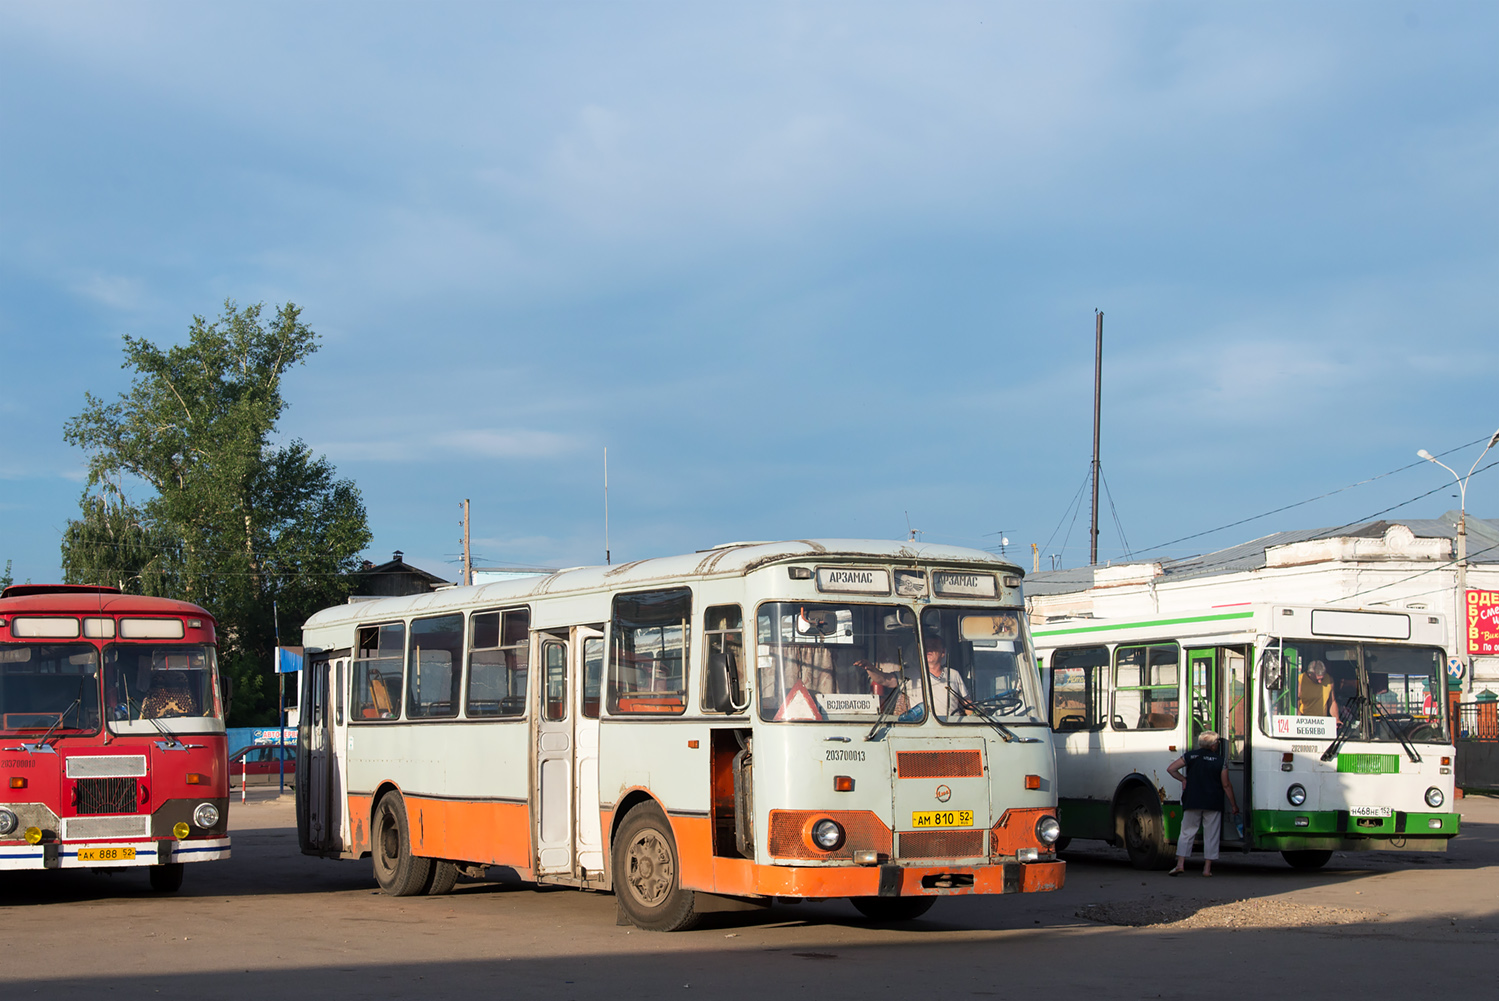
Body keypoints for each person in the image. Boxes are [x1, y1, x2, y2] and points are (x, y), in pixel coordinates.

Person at [1166, 730, 1239, 877]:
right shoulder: (1220, 761)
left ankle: (1180, 864)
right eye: (1217, 742)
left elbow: (1171, 769)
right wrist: (1233, 805)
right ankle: (1207, 869)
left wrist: (1183, 779)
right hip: (1212, 801)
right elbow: (1226, 785)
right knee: (1211, 834)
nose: (1217, 744)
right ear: (1212, 745)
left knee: (1186, 832)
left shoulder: (1190, 756)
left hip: (1192, 800)